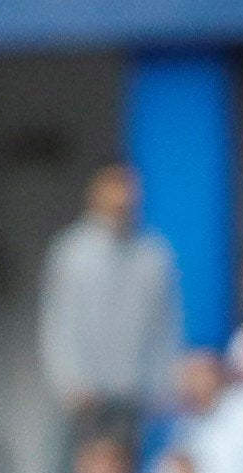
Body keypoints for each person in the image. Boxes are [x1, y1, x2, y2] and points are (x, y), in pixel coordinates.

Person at [38, 162, 182, 456]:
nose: (123, 197)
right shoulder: (72, 251)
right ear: (95, 193)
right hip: (83, 396)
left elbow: (166, 325)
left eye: (128, 188)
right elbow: (58, 322)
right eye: (114, 187)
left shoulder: (153, 254)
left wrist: (162, 384)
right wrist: (69, 381)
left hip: (132, 394)